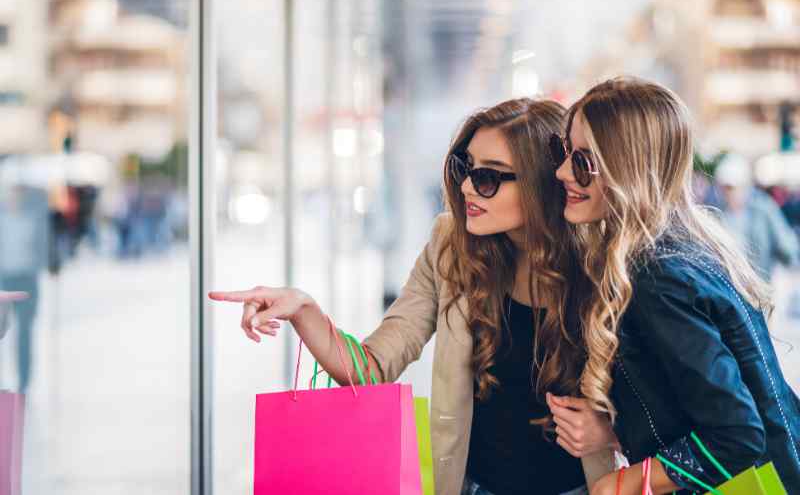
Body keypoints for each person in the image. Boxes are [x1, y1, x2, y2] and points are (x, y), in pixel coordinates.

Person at [210, 98, 616, 495]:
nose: (467, 187)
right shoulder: (450, 248)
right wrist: (304, 309)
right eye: (465, 168)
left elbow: (668, 410)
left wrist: (610, 433)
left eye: (488, 178)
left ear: (540, 184)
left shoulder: (605, 266)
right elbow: (370, 369)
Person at [551, 77, 800, 494]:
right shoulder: (682, 249)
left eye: (583, 162)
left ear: (626, 168)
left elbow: (736, 435)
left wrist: (625, 483)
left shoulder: (657, 276)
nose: (561, 172)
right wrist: (616, 432)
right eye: (563, 154)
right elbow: (691, 403)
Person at [714, 153, 799, 282]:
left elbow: (785, 243)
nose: (728, 193)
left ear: (745, 185)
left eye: (732, 188)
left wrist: (793, 260)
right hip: (729, 286)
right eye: (725, 188)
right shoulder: (717, 213)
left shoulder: (763, 208)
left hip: (759, 285)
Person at [0, 185, 49, 393]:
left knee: (25, 333)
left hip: (27, 279)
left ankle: (24, 381)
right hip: (5, 279)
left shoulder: (34, 220)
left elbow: (43, 248)